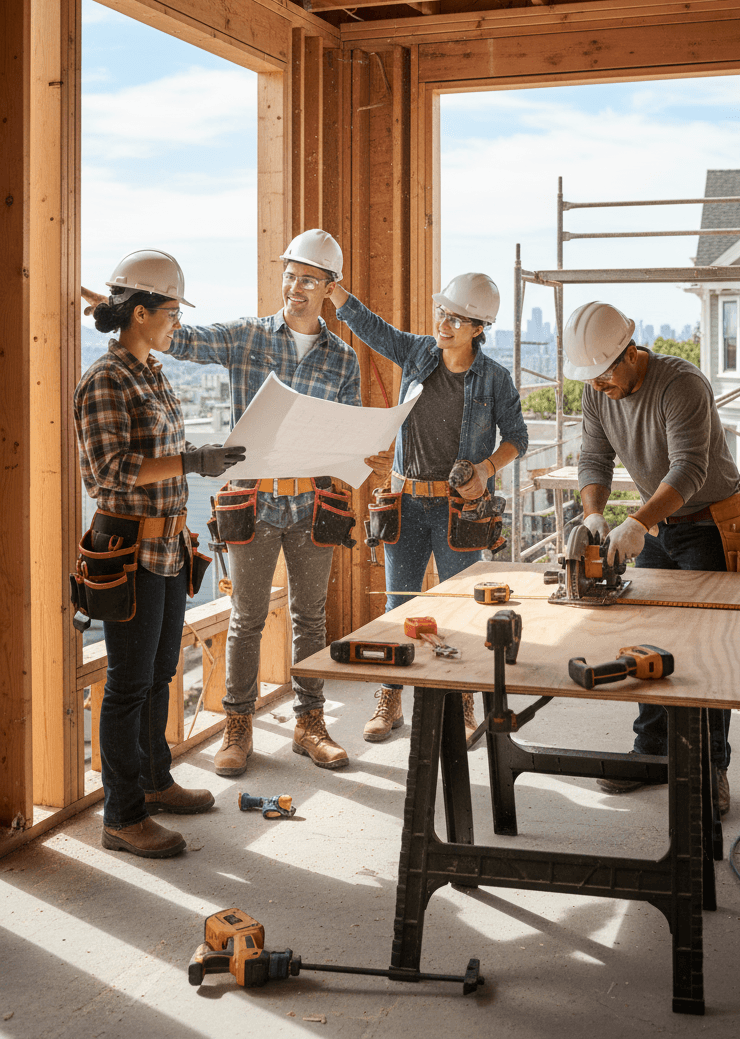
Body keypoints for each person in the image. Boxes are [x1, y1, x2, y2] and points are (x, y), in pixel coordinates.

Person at [166, 229, 374, 775]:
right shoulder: (246, 337)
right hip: (254, 504)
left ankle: (310, 724)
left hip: (311, 506)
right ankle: (238, 728)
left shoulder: (343, 360)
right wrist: (134, 308)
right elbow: (180, 341)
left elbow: (346, 435)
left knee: (310, 618)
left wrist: (357, 456)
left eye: (308, 278)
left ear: (330, 287)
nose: (295, 286)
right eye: (290, 274)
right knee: (247, 618)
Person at [75, 250, 246, 859]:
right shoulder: (105, 380)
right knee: (126, 684)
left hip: (169, 548)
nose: (178, 322)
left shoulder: (152, 373)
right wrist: (192, 463)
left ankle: (153, 781)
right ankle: (121, 817)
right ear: (141, 313)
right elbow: (109, 473)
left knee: (160, 675)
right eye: (172, 311)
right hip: (129, 550)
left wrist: (203, 455)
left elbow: (160, 454)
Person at [329, 273, 528, 743]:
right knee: (401, 607)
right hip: (406, 505)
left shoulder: (494, 378)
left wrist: (484, 469)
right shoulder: (418, 353)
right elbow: (371, 327)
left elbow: (517, 436)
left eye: (457, 318)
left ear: (479, 327)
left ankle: (460, 702)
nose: (445, 323)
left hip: (459, 512)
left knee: (459, 609)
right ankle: (391, 696)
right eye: (443, 312)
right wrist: (334, 290)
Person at [564, 300, 740, 814]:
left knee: (707, 648)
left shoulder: (681, 383)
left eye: (604, 376)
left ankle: (712, 766)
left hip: (711, 523)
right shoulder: (597, 390)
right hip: (656, 523)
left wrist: (639, 521)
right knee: (649, 640)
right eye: (591, 378)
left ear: (629, 352)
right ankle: (651, 754)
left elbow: (689, 469)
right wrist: (595, 514)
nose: (599, 386)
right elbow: (594, 457)